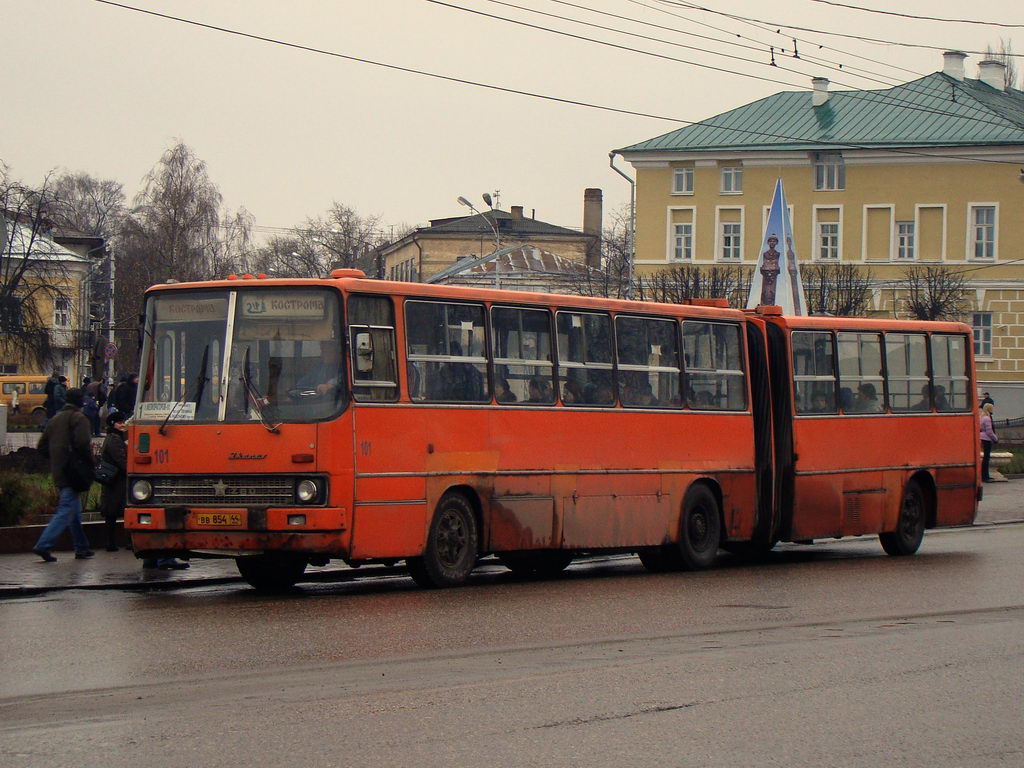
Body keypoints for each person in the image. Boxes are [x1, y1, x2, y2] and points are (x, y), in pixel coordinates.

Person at [32, 388, 94, 562]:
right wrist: (87, 463)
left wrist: (57, 459)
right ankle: (43, 545)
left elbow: (42, 446)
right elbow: (83, 443)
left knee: (73, 510)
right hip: (73, 471)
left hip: (59, 470)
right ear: (80, 401)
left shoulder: (55, 419)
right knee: (66, 509)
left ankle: (82, 547)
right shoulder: (79, 418)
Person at [99, 410, 128, 551]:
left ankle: (111, 542)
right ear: (113, 424)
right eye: (119, 423)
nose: (122, 425)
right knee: (114, 512)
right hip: (116, 482)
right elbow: (121, 460)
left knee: (113, 512)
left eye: (123, 422)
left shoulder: (115, 437)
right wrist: (129, 470)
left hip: (114, 481)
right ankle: (111, 543)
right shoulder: (114, 439)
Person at [759, 235, 781, 305]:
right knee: (766, 292)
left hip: (774, 273)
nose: (772, 243)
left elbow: (775, 263)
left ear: (776, 243)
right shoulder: (765, 254)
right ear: (768, 243)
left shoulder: (777, 254)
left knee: (771, 292)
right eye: (770, 241)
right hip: (766, 273)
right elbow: (766, 263)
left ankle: (770, 302)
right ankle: (765, 302)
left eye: (774, 241)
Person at [980, 402, 998, 482]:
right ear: (989, 409)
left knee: (985, 458)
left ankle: (984, 475)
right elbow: (989, 431)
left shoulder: (981, 417)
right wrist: (995, 439)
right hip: (986, 439)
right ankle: (986, 476)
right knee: (986, 458)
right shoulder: (987, 418)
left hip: (981, 437)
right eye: (991, 408)